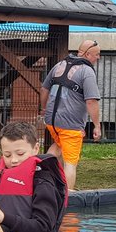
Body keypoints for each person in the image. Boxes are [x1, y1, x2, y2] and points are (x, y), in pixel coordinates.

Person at [41, 39, 103, 190]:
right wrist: (97, 125)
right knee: (70, 163)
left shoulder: (59, 65)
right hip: (71, 125)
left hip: (52, 121)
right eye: (97, 55)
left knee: (57, 147)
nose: (98, 58)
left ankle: (42, 178)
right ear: (88, 54)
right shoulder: (86, 71)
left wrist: (44, 109)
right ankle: (67, 197)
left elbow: (44, 89)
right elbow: (91, 101)